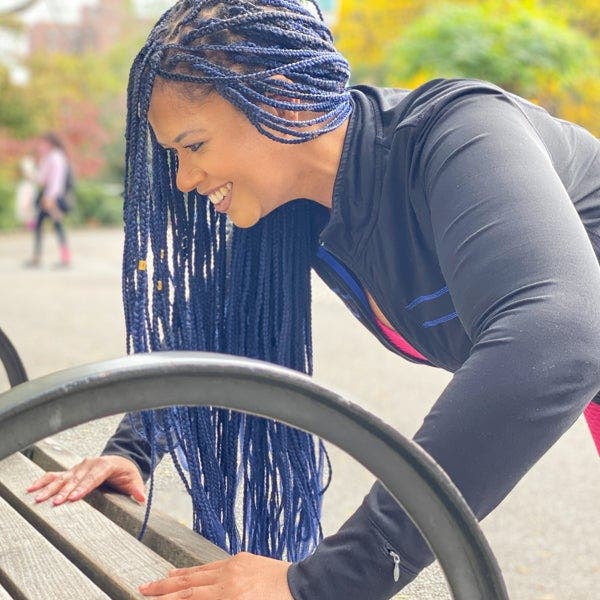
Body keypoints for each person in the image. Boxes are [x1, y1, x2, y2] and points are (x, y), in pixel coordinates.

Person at [27, 1, 600, 598]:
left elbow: (557, 339)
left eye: (192, 145)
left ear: (281, 100)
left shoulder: (458, 131)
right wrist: (134, 451)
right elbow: (218, 324)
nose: (182, 179)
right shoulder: (296, 207)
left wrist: (329, 583)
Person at [24, 132, 72, 268]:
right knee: (43, 224)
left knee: (55, 225)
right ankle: (40, 256)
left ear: (49, 144)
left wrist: (50, 198)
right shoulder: (49, 157)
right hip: (48, 196)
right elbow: (41, 179)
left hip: (51, 197)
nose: (40, 147)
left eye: (42, 144)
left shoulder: (55, 157)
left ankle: (62, 257)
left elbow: (56, 180)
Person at [14, 155, 38, 231]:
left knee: (30, 207)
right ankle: (29, 225)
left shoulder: (31, 175)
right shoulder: (24, 184)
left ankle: (31, 225)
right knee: (25, 207)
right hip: (26, 188)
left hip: (29, 188)